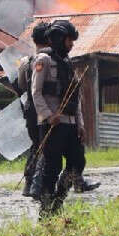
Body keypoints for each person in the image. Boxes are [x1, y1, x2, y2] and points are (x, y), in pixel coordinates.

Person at [32, 18, 86, 217]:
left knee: (77, 163)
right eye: (68, 40)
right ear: (57, 39)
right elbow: (36, 93)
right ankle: (45, 210)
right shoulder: (43, 61)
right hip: (52, 126)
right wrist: (48, 115)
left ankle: (58, 200)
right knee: (52, 168)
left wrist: (80, 123)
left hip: (71, 125)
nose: (71, 45)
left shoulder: (68, 63)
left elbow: (75, 97)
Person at [16, 21, 52, 197]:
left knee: (36, 144)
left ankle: (29, 184)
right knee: (45, 145)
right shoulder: (49, 60)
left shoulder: (26, 61)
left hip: (30, 109)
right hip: (44, 108)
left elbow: (22, 85)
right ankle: (37, 186)